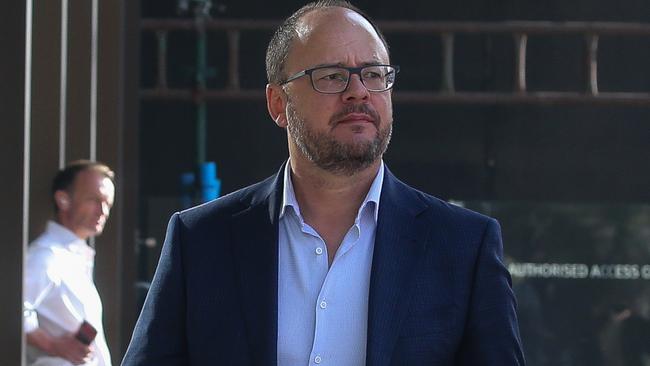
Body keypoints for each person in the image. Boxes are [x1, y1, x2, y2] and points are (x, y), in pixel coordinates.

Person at [122, 1, 525, 365]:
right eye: (331, 76)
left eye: (374, 74)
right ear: (278, 104)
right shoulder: (201, 240)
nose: (358, 92)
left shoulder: (463, 246)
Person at [24, 160, 115, 366]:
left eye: (108, 203)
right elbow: (11, 310)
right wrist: (52, 345)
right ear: (63, 199)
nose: (103, 211)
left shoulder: (71, 256)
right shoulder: (46, 255)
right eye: (94, 199)